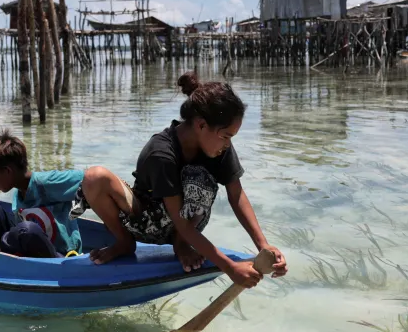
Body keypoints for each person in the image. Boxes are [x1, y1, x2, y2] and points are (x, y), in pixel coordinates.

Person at [77, 72, 288, 290]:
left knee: (199, 176)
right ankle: (124, 242)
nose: (227, 143)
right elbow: (180, 221)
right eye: (225, 136)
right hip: (146, 222)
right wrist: (229, 267)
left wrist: (264, 246)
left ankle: (181, 243)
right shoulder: (161, 152)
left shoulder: (219, 145)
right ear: (201, 125)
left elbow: (236, 195)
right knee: (94, 177)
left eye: (230, 137)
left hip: (188, 225)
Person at [0, 129, 90, 257]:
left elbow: (92, 180)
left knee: (27, 230)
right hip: (31, 251)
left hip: (61, 259)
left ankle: (2, 253)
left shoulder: (48, 183)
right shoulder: (19, 192)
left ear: (7, 171)